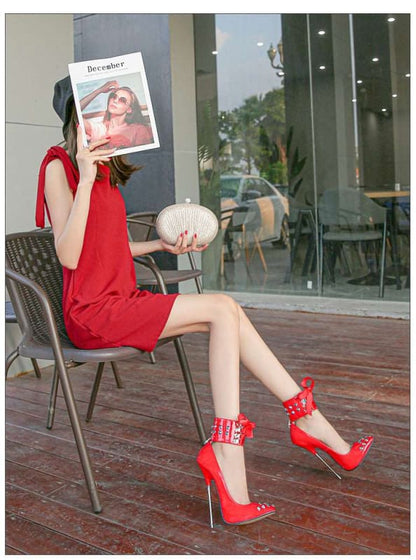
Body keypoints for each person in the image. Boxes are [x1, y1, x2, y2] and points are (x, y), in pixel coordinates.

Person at [36, 76, 373, 528]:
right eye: (98, 110)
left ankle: (303, 422)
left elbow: (109, 245)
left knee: (226, 312)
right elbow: (71, 254)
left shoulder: (109, 169)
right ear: (79, 117)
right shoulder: (60, 166)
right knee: (221, 308)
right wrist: (87, 177)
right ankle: (240, 448)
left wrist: (159, 246)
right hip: (93, 313)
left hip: (122, 298)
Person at [80, 78, 153, 149]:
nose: (115, 101)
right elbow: (73, 113)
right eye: (113, 96)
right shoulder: (100, 128)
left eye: (122, 100)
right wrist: (99, 90)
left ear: (129, 109)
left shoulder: (138, 130)